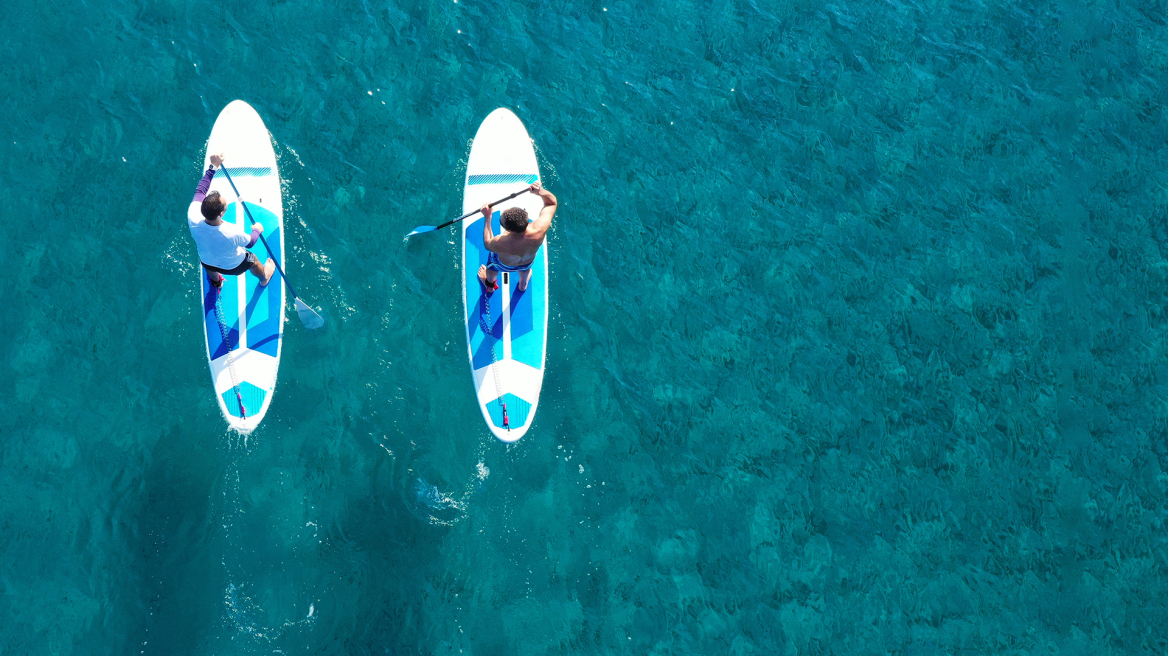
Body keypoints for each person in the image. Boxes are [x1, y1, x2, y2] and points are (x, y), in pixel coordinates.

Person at [187, 153, 275, 289]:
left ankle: (217, 282)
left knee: (209, 265)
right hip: (234, 266)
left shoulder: (193, 216)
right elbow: (250, 242)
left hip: (207, 261)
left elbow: (200, 190)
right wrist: (257, 229)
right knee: (254, 260)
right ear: (221, 213)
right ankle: (264, 277)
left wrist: (213, 167)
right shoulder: (231, 231)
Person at [477, 181, 558, 294]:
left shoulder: (501, 242)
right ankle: (523, 285)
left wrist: (488, 217)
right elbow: (551, 204)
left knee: (492, 267)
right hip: (527, 262)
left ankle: (490, 287)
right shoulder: (540, 228)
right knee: (525, 270)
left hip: (503, 264)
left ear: (510, 230)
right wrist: (540, 192)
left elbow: (487, 243)